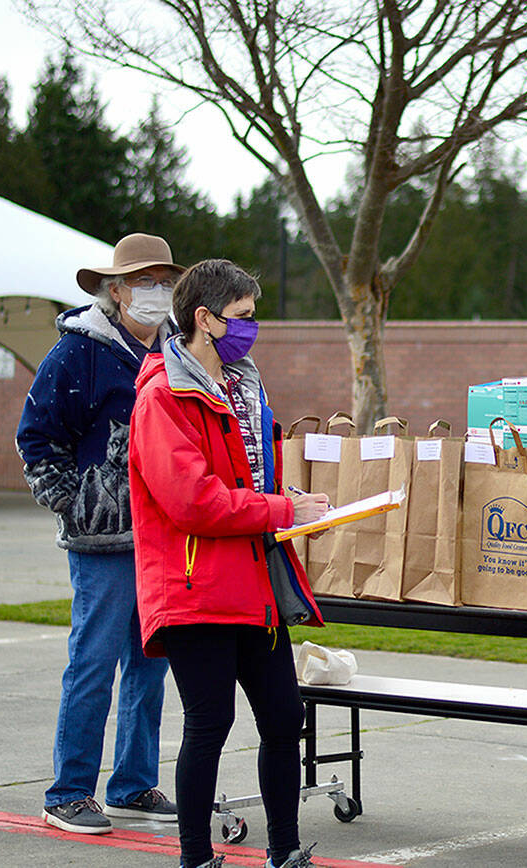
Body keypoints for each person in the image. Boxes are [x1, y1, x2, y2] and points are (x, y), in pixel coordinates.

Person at [128, 259, 330, 868]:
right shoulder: (162, 397)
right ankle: (195, 858)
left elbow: (249, 479)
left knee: (283, 716)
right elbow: (193, 501)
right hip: (195, 590)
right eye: (242, 317)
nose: (252, 328)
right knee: (209, 723)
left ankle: (286, 851)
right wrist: (276, 511)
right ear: (204, 319)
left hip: (254, 585)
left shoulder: (245, 386)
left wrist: (286, 502)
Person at [16, 233, 183, 834]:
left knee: (150, 662)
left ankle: (133, 785)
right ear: (115, 290)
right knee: (94, 660)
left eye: (165, 281)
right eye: (146, 281)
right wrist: (74, 504)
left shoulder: (177, 353)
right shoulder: (77, 353)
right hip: (102, 541)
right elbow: (36, 438)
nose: (157, 292)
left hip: (165, 537)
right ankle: (68, 793)